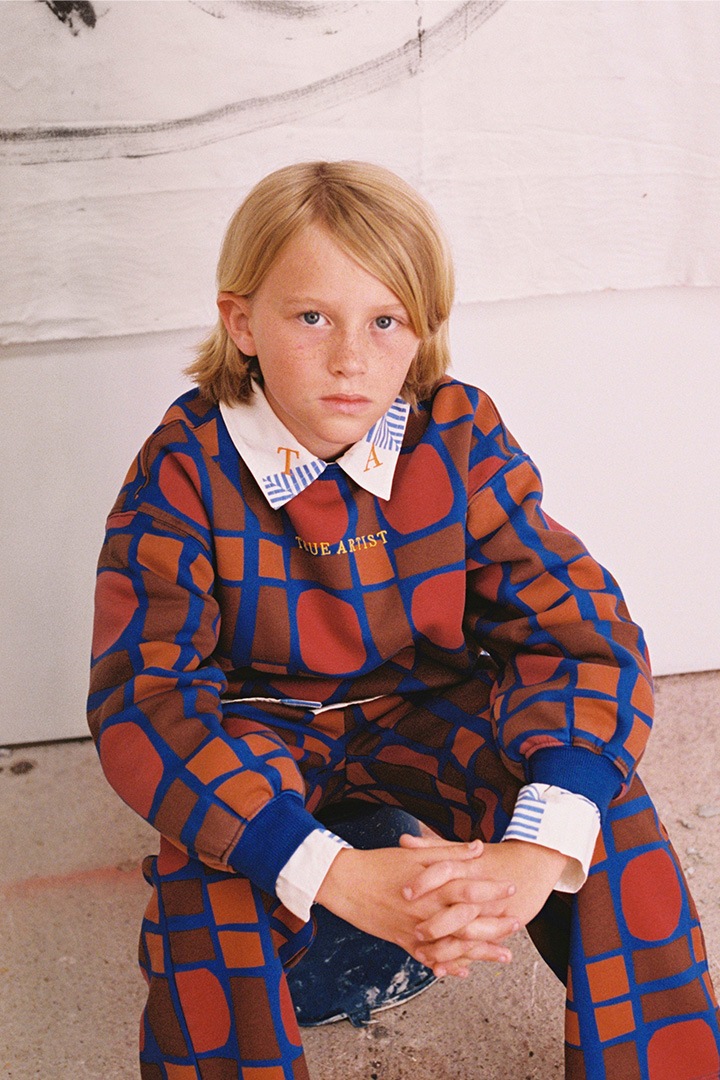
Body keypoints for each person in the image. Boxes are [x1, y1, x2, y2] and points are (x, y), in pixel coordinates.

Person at [88, 160, 720, 1080]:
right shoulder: (183, 468)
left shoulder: (456, 435)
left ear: (422, 329)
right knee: (209, 880)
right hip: (258, 723)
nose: (351, 358)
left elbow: (579, 631)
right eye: (313, 318)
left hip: (425, 705)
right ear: (242, 323)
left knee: (604, 814)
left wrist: (535, 851)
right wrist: (335, 874)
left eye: (385, 321)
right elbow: (145, 702)